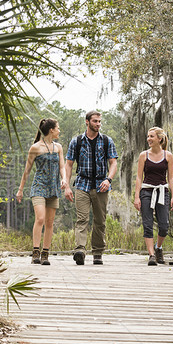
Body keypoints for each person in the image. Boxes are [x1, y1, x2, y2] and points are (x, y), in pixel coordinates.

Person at [64, 111, 118, 265]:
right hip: (82, 184)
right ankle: (80, 250)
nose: (98, 124)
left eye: (99, 121)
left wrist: (109, 179)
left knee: (100, 221)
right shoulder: (77, 141)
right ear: (87, 122)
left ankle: (98, 252)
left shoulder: (107, 141)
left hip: (102, 185)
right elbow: (68, 164)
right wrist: (67, 186)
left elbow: (113, 162)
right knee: (82, 219)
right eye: (95, 121)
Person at [16, 118, 66, 265]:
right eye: (58, 128)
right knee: (40, 219)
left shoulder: (58, 147)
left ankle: (45, 253)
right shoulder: (35, 148)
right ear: (51, 130)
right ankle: (35, 252)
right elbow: (27, 171)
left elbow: (62, 166)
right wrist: (20, 190)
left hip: (54, 187)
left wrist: (64, 179)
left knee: (50, 223)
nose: (59, 131)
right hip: (39, 186)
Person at [133, 126, 173, 266]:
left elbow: (171, 178)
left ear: (160, 138)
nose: (148, 139)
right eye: (148, 136)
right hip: (146, 191)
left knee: (164, 225)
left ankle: (158, 248)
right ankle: (151, 255)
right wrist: (136, 197)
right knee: (147, 224)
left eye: (151, 136)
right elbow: (139, 177)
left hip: (162, 192)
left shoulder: (167, 156)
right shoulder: (144, 155)